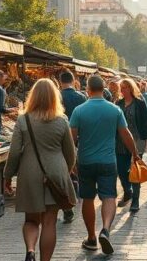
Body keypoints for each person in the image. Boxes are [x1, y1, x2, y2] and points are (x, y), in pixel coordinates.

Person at [3, 79, 77, 261]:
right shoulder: (62, 121)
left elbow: (13, 153)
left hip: (29, 174)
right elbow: (71, 153)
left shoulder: (23, 120)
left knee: (31, 219)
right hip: (56, 171)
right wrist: (64, 173)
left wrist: (7, 176)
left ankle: (30, 251)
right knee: (50, 221)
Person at [69, 75, 141, 255]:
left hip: (85, 161)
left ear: (88, 89)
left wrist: (71, 161)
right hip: (108, 161)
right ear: (104, 89)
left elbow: (72, 139)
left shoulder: (79, 110)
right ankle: (106, 230)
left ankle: (91, 238)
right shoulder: (115, 110)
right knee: (109, 196)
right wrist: (135, 153)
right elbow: (126, 135)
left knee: (87, 198)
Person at [115, 79, 147, 212]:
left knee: (135, 170)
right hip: (120, 141)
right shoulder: (118, 104)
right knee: (121, 170)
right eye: (121, 88)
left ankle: (135, 200)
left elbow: (146, 121)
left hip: (137, 140)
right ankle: (127, 191)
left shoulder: (140, 103)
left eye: (125, 87)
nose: (123, 90)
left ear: (131, 88)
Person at [57, 70, 86, 223]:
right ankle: (78, 191)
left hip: (60, 138)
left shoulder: (57, 96)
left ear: (60, 81)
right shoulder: (82, 97)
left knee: (64, 167)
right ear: (74, 80)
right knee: (75, 164)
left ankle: (67, 195)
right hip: (78, 137)